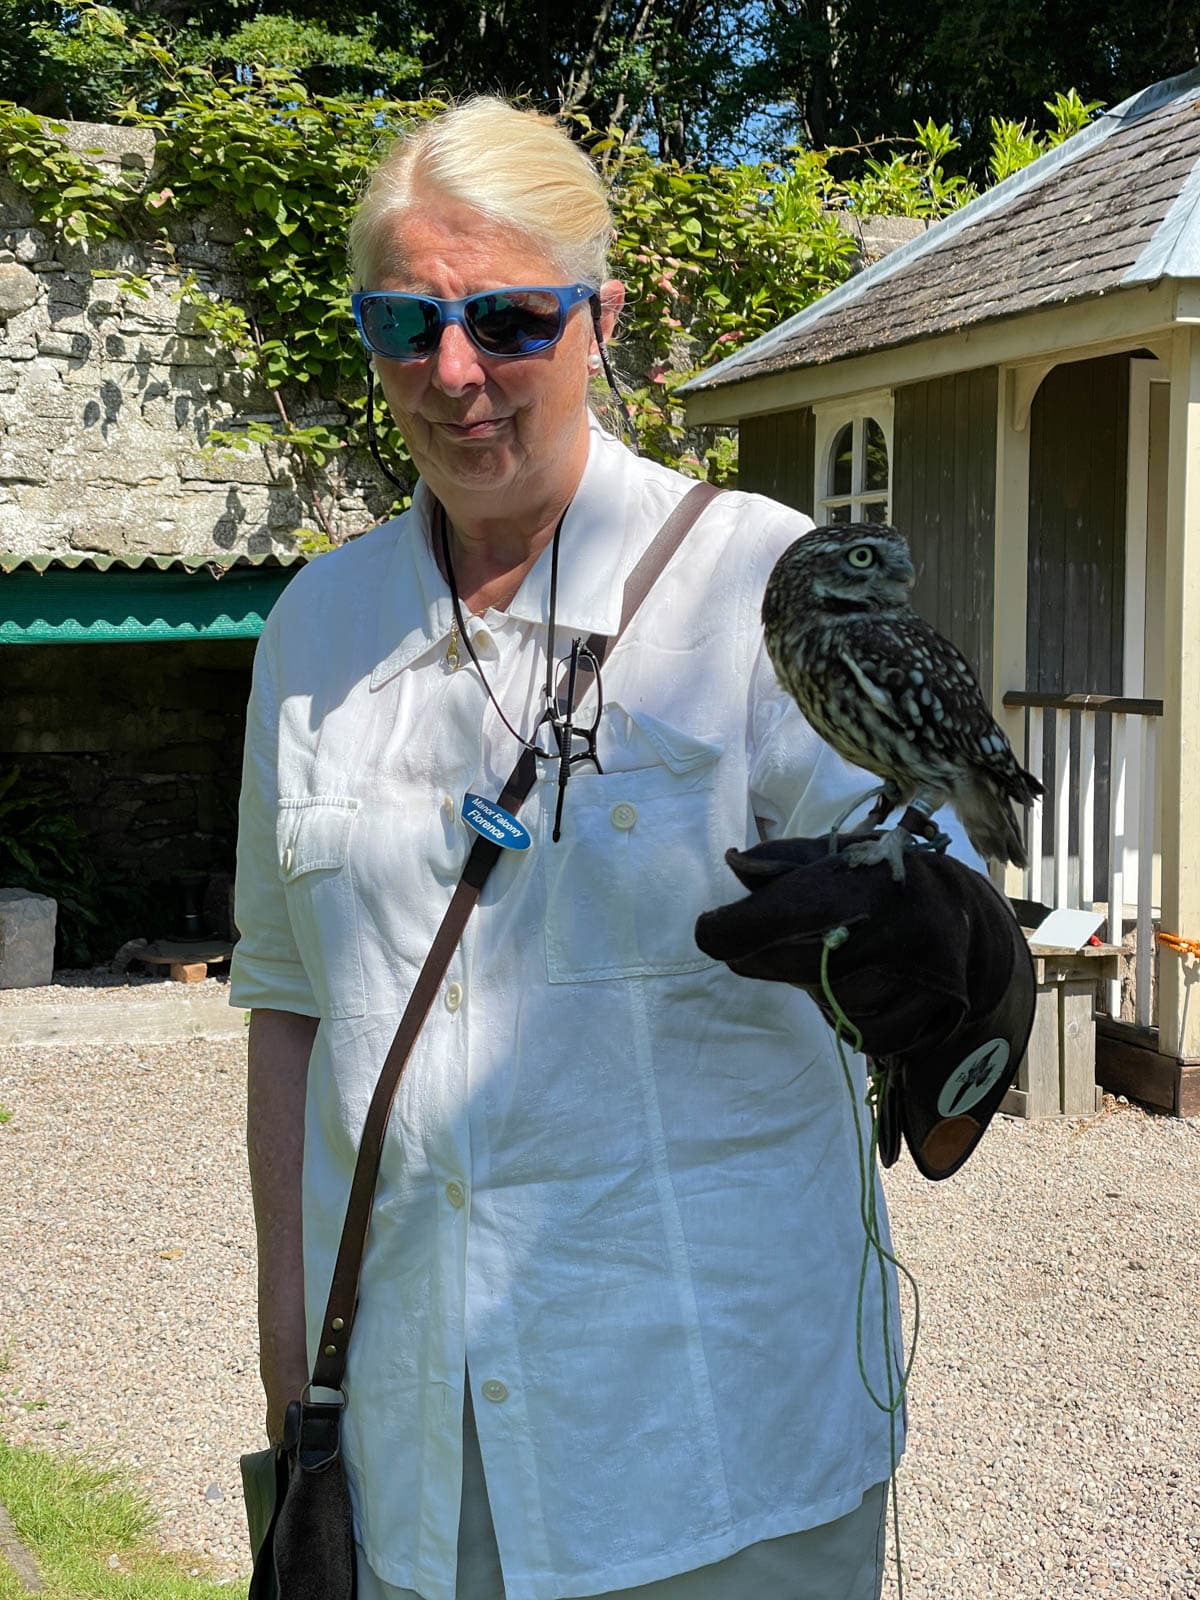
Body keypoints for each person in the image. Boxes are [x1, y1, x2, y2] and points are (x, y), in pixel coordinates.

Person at [232, 96, 928, 1600]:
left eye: (509, 316)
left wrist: (934, 936)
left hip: (717, 1442)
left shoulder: (761, 584)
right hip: (422, 1448)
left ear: (601, 319)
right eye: (406, 324)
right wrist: (293, 1354)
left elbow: (919, 875)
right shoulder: (313, 633)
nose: (457, 372)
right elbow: (287, 1004)